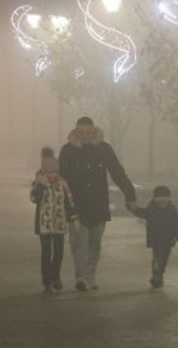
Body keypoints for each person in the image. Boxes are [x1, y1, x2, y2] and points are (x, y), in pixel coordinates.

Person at [58, 116, 137, 291]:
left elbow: (117, 171)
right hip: (76, 204)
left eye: (88, 132)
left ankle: (91, 273)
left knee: (95, 242)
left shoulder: (103, 149)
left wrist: (130, 194)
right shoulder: (68, 150)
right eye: (81, 132)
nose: (85, 136)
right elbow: (62, 178)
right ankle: (81, 277)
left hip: (98, 203)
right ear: (76, 132)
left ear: (94, 131)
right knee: (79, 242)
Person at [31, 147, 78, 294]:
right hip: (44, 224)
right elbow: (34, 199)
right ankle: (47, 281)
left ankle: (56, 277)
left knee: (58, 252)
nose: (52, 175)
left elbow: (69, 202)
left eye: (55, 172)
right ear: (44, 171)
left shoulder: (62, 183)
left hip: (59, 223)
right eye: (49, 172)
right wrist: (40, 185)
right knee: (46, 252)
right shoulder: (39, 183)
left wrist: (72, 218)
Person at [130, 185, 178, 289]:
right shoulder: (164, 209)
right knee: (161, 257)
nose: (162, 200)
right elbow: (177, 223)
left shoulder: (159, 208)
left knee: (160, 257)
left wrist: (134, 209)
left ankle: (158, 273)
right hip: (163, 239)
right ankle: (158, 274)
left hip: (161, 239)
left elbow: (142, 213)